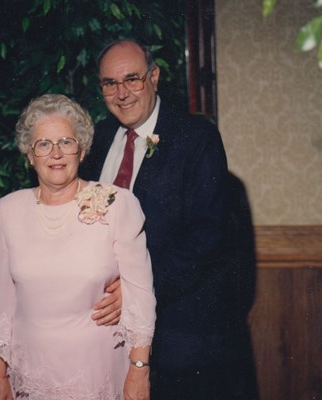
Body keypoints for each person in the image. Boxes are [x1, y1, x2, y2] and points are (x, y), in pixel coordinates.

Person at [80, 39, 258, 399]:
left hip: (181, 342)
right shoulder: (97, 140)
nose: (121, 93)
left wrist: (135, 289)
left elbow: (207, 238)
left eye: (132, 79)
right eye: (110, 83)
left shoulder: (197, 137)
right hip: (108, 334)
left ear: (154, 77)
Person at [0, 93, 156, 400]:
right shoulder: (4, 212)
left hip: (98, 370)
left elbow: (141, 296)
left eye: (66, 142)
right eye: (43, 144)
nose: (56, 153)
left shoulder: (118, 204)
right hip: (30, 374)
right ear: (29, 155)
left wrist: (139, 369)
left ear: (82, 150)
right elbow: (0, 307)